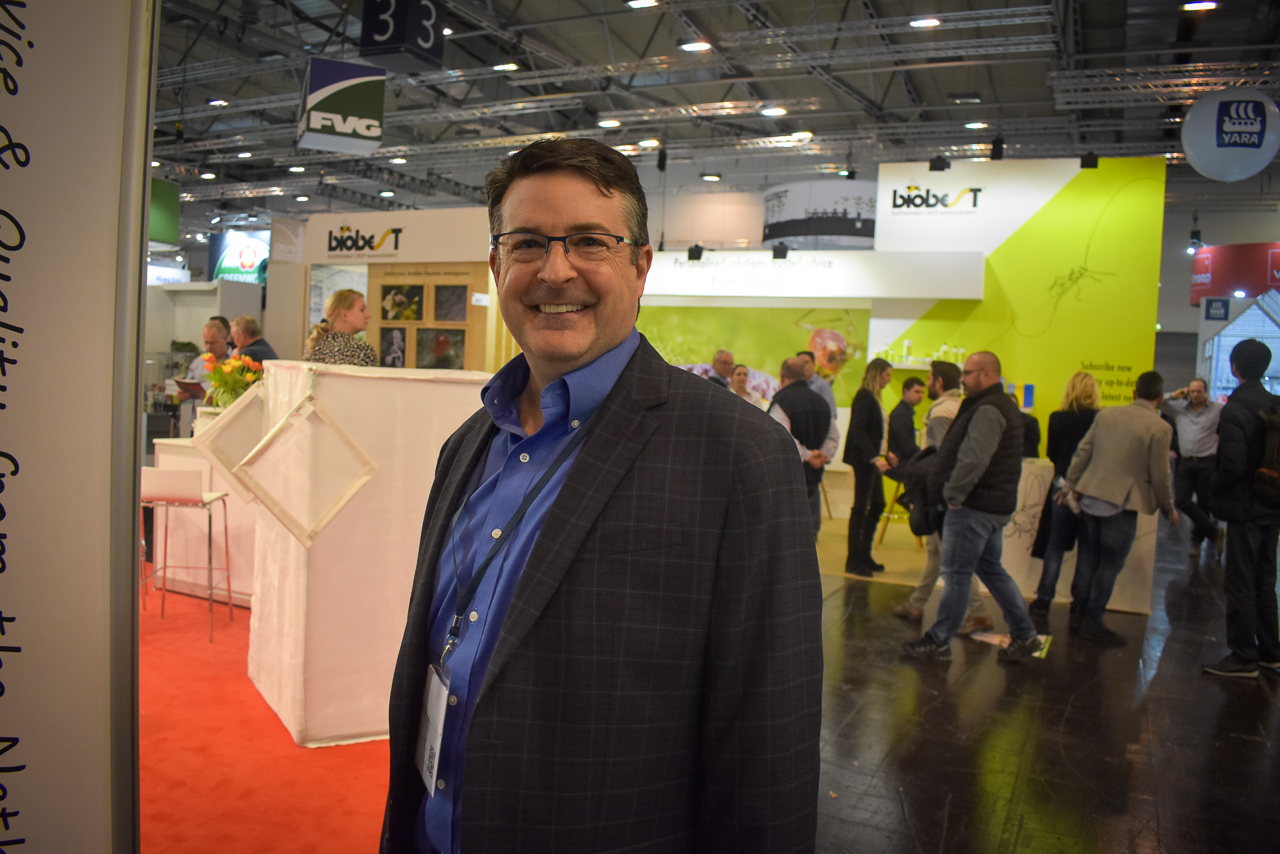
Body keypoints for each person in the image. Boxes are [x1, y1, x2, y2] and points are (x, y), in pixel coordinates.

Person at [382, 138, 822, 854]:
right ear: (496, 266)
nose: (555, 271)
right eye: (527, 243)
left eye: (589, 241)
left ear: (640, 265)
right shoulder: (468, 443)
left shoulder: (738, 455)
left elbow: (768, 743)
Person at [901, 351, 1043, 663]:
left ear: (988, 374)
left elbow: (973, 459)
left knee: (957, 574)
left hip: (973, 507)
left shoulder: (989, 409)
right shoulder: (998, 405)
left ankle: (939, 640)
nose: (962, 379)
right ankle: (1024, 635)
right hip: (989, 505)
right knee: (991, 570)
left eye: (968, 373)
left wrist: (953, 495)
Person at [1062, 371, 1177, 645]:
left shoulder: (1107, 415)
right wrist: (1168, 508)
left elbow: (1082, 452)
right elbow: (1161, 475)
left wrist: (1073, 485)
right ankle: (1093, 621)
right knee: (1110, 565)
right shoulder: (1160, 427)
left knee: (1087, 558)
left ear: (1134, 392)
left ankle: (1077, 614)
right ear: (1160, 398)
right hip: (1122, 504)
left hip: (1090, 497)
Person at [892, 360, 993, 635]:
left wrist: (937, 493)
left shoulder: (940, 412)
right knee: (937, 551)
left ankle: (978, 613)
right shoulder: (962, 407)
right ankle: (917, 603)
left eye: (929, 379)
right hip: (951, 492)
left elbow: (942, 457)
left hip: (942, 493)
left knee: (951, 556)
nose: (926, 385)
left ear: (938, 382)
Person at [1204, 339, 1280, 677]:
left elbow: (1233, 465)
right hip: (1272, 503)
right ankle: (1270, 652)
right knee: (1265, 580)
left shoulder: (1236, 408)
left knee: (1240, 581)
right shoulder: (1274, 403)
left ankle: (1243, 656)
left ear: (1234, 367)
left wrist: (1211, 486)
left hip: (1245, 506)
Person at [1029, 372, 1101, 613]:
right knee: (1087, 548)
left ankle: (1044, 598)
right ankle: (1079, 603)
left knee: (1056, 544)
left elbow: (1052, 453)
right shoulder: (1100, 419)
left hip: (1062, 487)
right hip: (1090, 488)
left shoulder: (1057, 418)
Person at [769, 356, 839, 536]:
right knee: (807, 535)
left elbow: (781, 438)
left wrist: (808, 455)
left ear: (781, 375)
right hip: (813, 476)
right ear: (806, 375)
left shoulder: (782, 402)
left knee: (786, 533)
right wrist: (822, 456)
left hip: (786, 477)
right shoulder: (822, 402)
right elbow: (833, 435)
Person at [1161, 377, 1224, 559]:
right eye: (1192, 391)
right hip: (1186, 462)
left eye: (1199, 391)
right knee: (1181, 500)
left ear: (1206, 392)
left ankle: (1196, 543)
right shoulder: (1180, 408)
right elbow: (1159, 402)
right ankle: (1214, 532)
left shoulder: (1217, 410)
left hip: (1207, 462)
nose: (1195, 395)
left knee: (1204, 504)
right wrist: (1174, 395)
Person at [844, 357, 894, 576]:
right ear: (877, 374)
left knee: (877, 504)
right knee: (861, 507)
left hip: (873, 458)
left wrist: (886, 452)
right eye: (886, 375)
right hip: (865, 460)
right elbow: (858, 430)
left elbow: (877, 431)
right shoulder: (864, 396)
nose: (888, 380)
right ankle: (854, 558)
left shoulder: (874, 398)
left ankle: (864, 553)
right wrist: (874, 457)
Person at [304, 289, 377, 366]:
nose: (368, 315)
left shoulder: (315, 345)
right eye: (362, 310)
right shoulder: (362, 351)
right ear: (344, 315)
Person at [176, 319, 230, 403]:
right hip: (198, 409)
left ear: (225, 339)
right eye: (206, 343)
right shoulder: (198, 363)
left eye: (213, 343)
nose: (208, 347)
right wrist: (182, 395)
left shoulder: (235, 361)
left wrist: (217, 399)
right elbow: (186, 386)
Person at [887, 376, 924, 481]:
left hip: (901, 461)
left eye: (922, 392)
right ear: (905, 392)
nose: (920, 396)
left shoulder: (903, 411)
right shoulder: (902, 414)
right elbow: (907, 447)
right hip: (901, 463)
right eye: (917, 392)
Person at [796, 349, 837, 418]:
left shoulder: (823, 385)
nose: (803, 365)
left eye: (806, 362)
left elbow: (831, 412)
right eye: (800, 363)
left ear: (814, 364)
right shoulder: (795, 386)